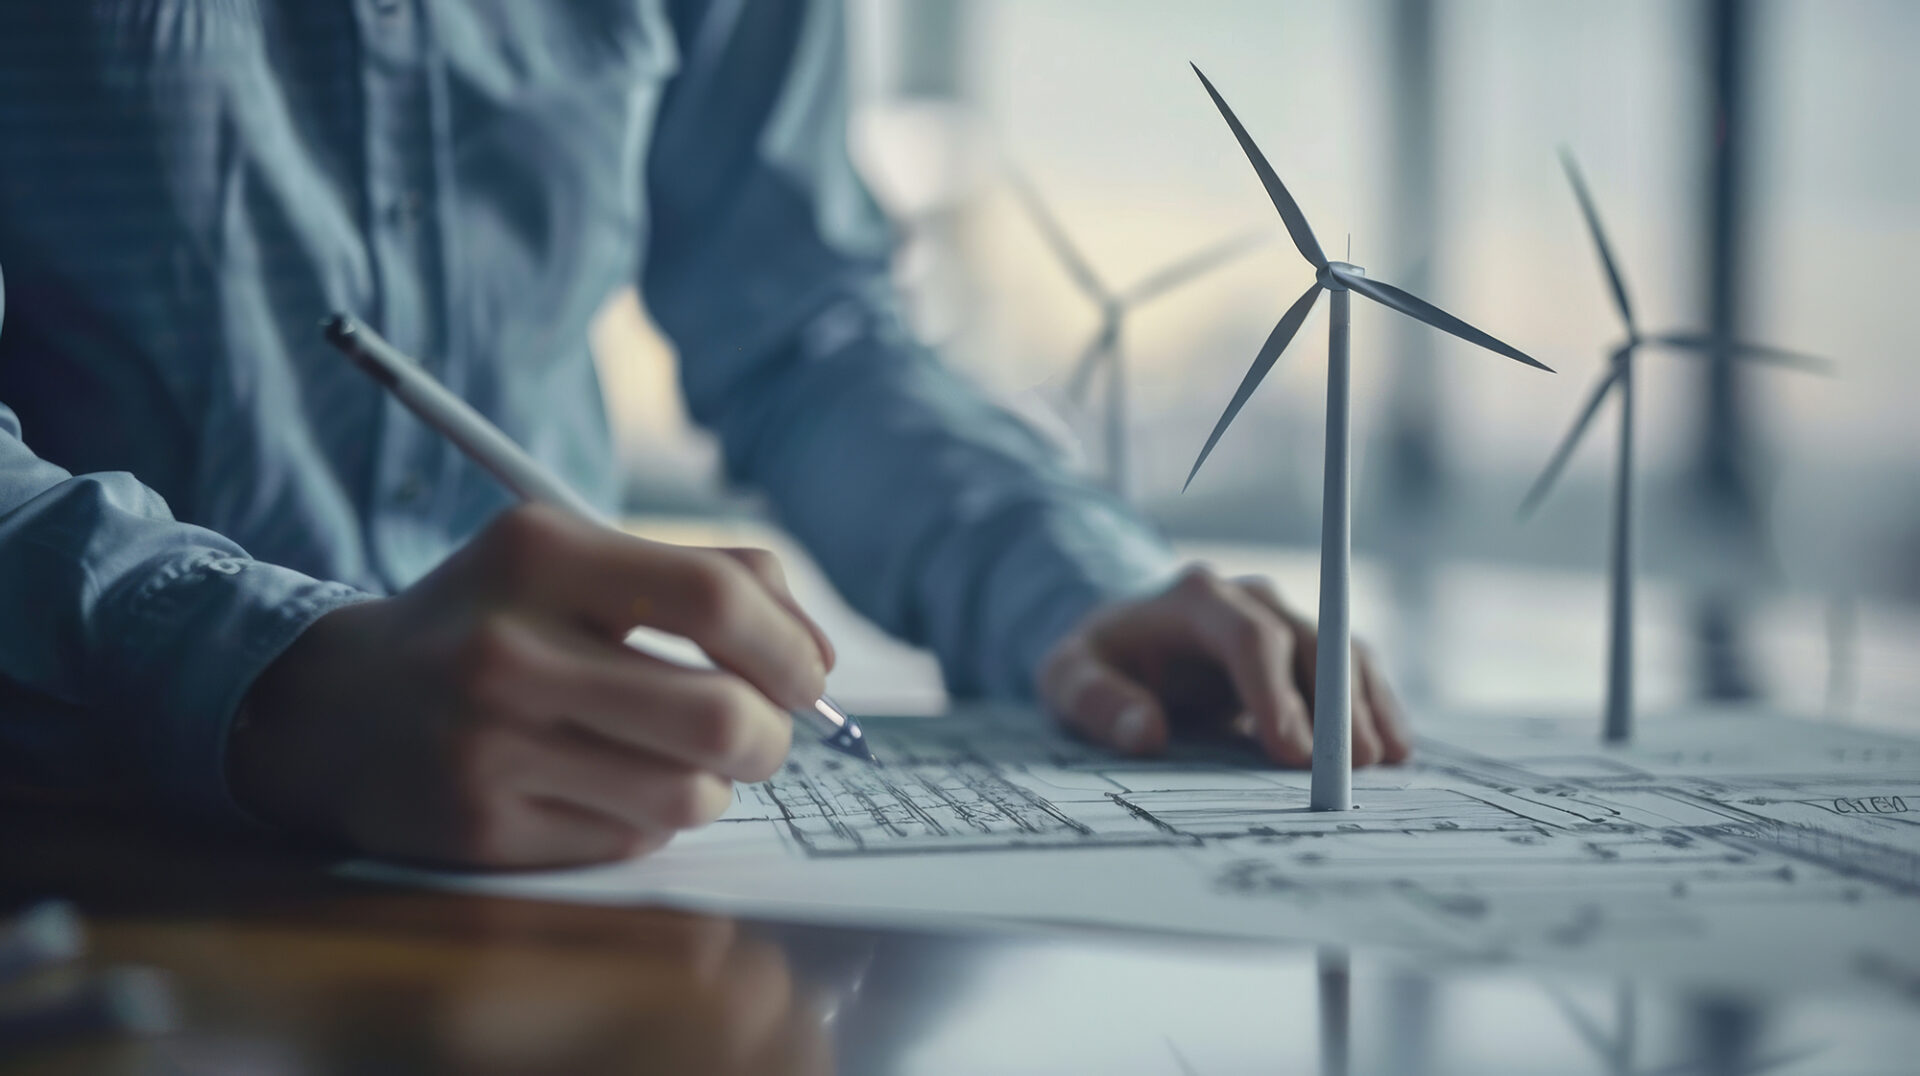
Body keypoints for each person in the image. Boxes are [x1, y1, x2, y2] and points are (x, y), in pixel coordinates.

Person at [0, 2, 1406, 868]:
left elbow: (803, 327)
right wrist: (264, 676)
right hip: (87, 865)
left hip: (581, 854)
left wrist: (1071, 581)